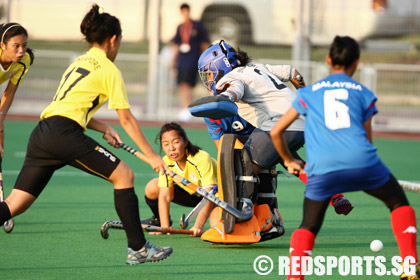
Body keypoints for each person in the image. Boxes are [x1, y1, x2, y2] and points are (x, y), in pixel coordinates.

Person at [0, 4, 172, 265]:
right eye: (119, 42)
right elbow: (127, 118)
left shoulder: (79, 61)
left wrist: (104, 128)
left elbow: (69, 108)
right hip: (65, 135)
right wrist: (152, 157)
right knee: (124, 175)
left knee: (15, 204)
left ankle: (138, 248)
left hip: (43, 133)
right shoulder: (109, 69)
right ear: (113, 40)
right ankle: (138, 248)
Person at [270, 35, 418, 280]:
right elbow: (367, 139)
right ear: (356, 63)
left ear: (328, 59)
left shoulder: (307, 94)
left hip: (322, 169)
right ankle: (410, 267)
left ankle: (295, 277)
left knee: (308, 226)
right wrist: (366, 172)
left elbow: (276, 131)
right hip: (364, 163)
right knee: (399, 204)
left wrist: (288, 160)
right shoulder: (364, 92)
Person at [196, 40, 354, 240]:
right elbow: (293, 73)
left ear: (220, 66)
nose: (208, 78)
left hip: (274, 125)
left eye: (209, 73)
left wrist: (226, 97)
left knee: (248, 161)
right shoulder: (257, 69)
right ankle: (329, 194)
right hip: (296, 120)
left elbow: (234, 89)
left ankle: (245, 212)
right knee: (288, 161)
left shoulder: (228, 81)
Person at [143, 122, 217, 237]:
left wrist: (199, 225)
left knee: (216, 226)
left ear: (185, 141)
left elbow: (209, 194)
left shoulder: (201, 158)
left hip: (216, 198)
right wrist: (165, 228)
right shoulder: (166, 162)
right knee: (153, 187)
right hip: (192, 195)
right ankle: (159, 220)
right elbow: (165, 196)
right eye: (166, 144)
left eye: (176, 142)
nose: (171, 148)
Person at [0, 23, 34, 158]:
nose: (21, 51)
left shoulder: (24, 60)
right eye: (16, 46)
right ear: (2, 45)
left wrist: (1, 117)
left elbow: (10, 92)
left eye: (24, 45)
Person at [171, 3, 210, 122]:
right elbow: (176, 44)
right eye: (183, 11)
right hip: (182, 60)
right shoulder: (180, 27)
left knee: (188, 85)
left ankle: (188, 108)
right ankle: (183, 108)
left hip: (193, 60)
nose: (185, 13)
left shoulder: (197, 26)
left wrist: (205, 59)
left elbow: (204, 43)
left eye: (186, 11)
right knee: (182, 84)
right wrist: (173, 60)